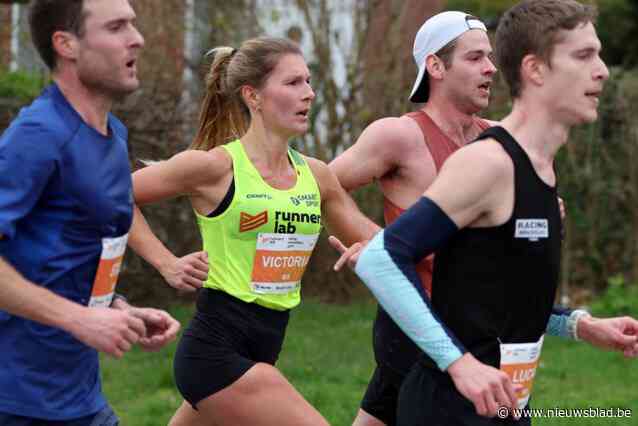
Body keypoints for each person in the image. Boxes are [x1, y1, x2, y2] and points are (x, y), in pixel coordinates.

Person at [333, 1, 638, 425]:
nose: (603, 70)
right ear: (535, 70)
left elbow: (501, 293)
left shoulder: (533, 162)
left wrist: (581, 325)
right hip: (446, 391)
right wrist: (460, 365)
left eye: (490, 56)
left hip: (502, 399)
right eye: (584, 55)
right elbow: (382, 255)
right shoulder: (484, 161)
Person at [126, 37, 379, 426]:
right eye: (293, 83)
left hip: (266, 344)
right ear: (253, 96)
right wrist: (166, 262)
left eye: (309, 82)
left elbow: (379, 240)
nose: (309, 94)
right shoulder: (214, 168)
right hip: (215, 352)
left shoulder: (316, 177)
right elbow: (114, 198)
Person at [0, 0, 180, 424]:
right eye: (116, 27)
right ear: (66, 44)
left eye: (133, 25)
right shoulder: (39, 135)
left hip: (77, 394)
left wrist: (116, 308)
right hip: (17, 400)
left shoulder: (112, 134)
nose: (137, 38)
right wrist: (79, 318)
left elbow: (62, 254)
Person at [329, 11, 497, 426]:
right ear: (436, 67)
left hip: (476, 324)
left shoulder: (497, 138)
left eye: (489, 57)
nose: (491, 68)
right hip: (413, 321)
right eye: (475, 57)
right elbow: (317, 189)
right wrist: (375, 244)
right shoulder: (399, 136)